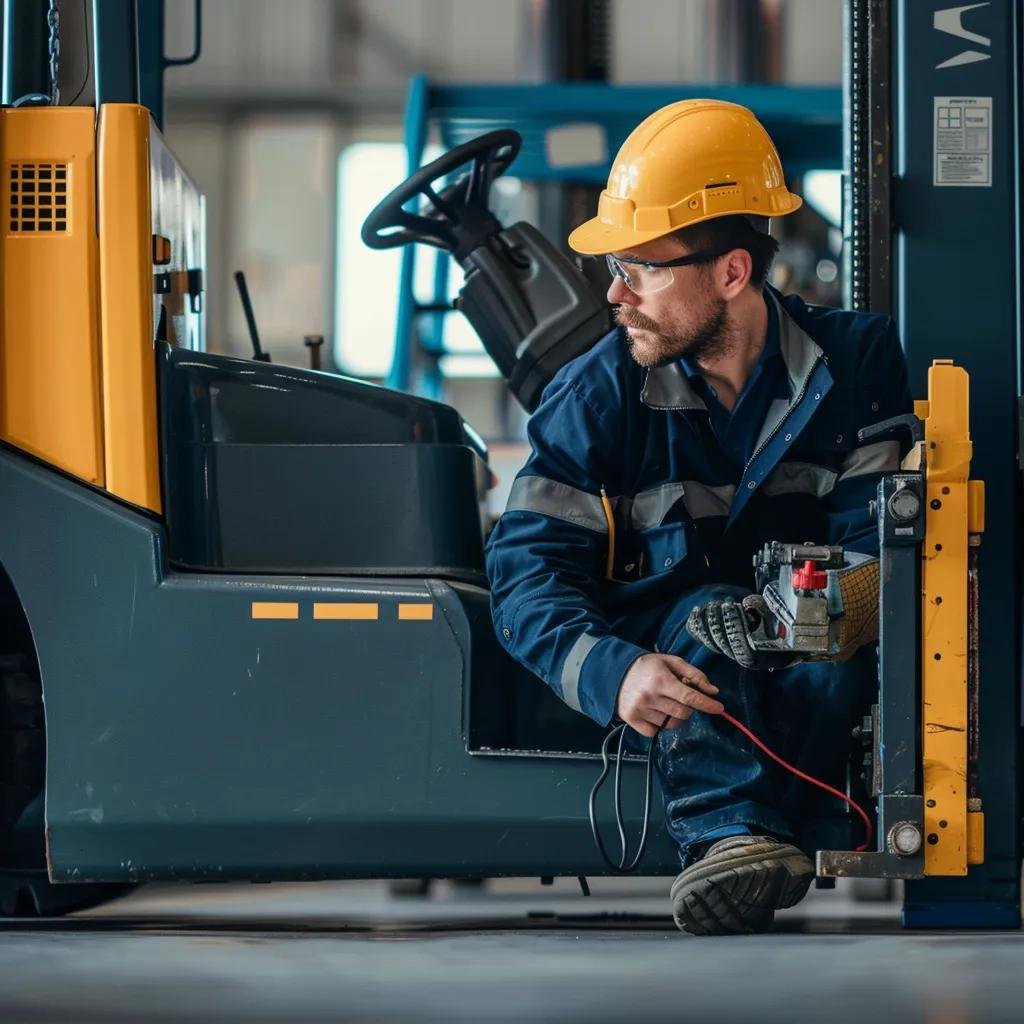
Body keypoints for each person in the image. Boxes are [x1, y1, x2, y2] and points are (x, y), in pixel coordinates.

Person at [484, 99, 911, 935]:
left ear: (730, 273)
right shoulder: (596, 394)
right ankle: (731, 839)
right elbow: (525, 573)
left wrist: (803, 613)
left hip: (814, 672)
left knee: (828, 658)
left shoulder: (857, 364)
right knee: (692, 618)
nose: (614, 294)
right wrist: (615, 674)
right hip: (672, 674)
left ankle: (770, 837)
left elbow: (883, 547)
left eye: (639, 268)